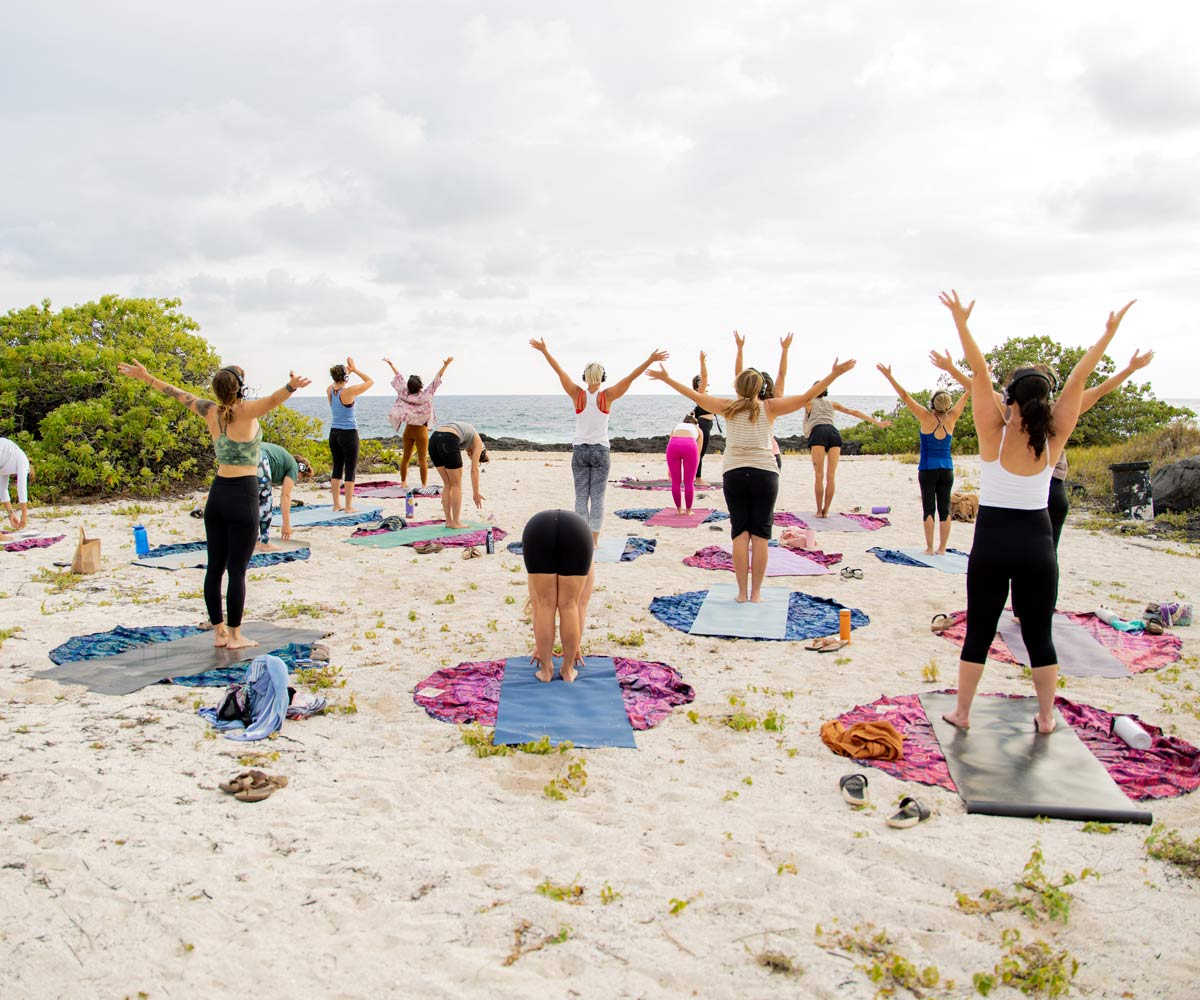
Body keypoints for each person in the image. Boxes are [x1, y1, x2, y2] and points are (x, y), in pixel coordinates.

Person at [937, 289, 1135, 735]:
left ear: (1009, 398)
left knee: (980, 632)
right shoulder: (1055, 434)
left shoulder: (993, 431)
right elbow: (1081, 378)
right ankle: (1046, 718)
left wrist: (962, 322)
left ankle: (963, 713)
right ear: (1045, 399)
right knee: (1039, 635)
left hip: (991, 542)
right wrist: (1108, 334)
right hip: (1037, 544)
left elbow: (979, 372)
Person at [116, 360, 311, 650]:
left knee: (215, 568)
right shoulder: (246, 411)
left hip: (217, 495)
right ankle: (235, 636)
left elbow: (176, 393)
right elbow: (274, 399)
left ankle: (219, 633)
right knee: (237, 571)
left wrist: (147, 377)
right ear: (240, 388)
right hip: (243, 495)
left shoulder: (209, 410)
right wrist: (292, 386)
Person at [648, 357, 856, 602]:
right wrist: (834, 374)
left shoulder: (727, 406)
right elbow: (805, 397)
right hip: (765, 475)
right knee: (760, 536)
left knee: (740, 534)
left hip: (735, 474)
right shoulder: (770, 407)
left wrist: (666, 378)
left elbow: (695, 396)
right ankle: (756, 594)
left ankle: (741, 593)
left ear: (738, 388)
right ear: (760, 389)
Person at [529, 340, 669, 543]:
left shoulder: (577, 395)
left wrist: (545, 351)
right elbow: (630, 378)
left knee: (580, 497)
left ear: (584, 376)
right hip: (600, 452)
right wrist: (650, 360)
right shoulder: (607, 396)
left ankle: (581, 539)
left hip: (579, 451)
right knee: (597, 498)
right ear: (602, 377)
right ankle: (593, 541)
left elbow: (560, 371)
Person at [876, 353, 972, 554]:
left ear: (933, 403)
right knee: (944, 508)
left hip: (928, 469)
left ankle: (929, 548)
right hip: (947, 469)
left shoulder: (925, 417)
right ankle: (942, 548)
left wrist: (889, 376)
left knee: (929, 508)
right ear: (947, 404)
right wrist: (981, 374)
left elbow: (905, 396)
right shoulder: (952, 417)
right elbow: (968, 391)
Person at [522, 509, 594, 682]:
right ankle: (568, 670)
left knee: (544, 603)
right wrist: (574, 646)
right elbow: (581, 604)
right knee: (570, 604)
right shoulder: (579, 532)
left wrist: (541, 646)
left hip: (537, 527)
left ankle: (546, 670)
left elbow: (536, 603)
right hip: (578, 530)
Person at [802, 382, 890, 518]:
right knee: (831, 476)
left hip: (819, 432)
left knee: (819, 475)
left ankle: (819, 511)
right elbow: (853, 412)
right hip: (833, 433)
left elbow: (789, 403)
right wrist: (877, 423)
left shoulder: (808, 402)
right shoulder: (832, 404)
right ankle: (826, 511)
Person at [383, 355, 452, 489]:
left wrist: (391, 364)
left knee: (405, 458)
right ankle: (424, 485)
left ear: (409, 386)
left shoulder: (404, 394)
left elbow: (399, 377)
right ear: (420, 385)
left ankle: (403, 482)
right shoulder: (426, 395)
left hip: (408, 430)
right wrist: (446, 364)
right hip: (421, 431)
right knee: (422, 460)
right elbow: (437, 379)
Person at [734, 330, 793, 470]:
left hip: (748, 454)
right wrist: (785, 350)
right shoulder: (773, 404)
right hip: (771, 452)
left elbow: (738, 375)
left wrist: (740, 349)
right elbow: (782, 375)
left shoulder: (745, 400)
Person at [327, 358, 374, 513]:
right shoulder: (349, 392)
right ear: (345, 377)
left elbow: (335, 400)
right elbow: (370, 381)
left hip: (334, 432)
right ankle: (348, 506)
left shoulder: (329, 390)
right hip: (348, 433)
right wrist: (354, 369)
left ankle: (336, 505)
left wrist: (347, 373)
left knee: (337, 468)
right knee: (350, 469)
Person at [429, 421, 488, 528]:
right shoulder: (479, 443)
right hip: (448, 438)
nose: (469, 454)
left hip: (433, 438)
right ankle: (456, 522)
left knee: (447, 483)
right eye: (471, 454)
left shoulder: (466, 435)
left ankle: (449, 522)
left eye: (470, 455)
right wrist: (476, 493)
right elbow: (474, 470)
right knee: (456, 484)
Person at [255, 443, 313, 552]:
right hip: (259, 457)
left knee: (251, 501)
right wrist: (286, 525)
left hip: (246, 453)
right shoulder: (293, 467)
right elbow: (285, 496)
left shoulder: (284, 460)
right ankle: (264, 543)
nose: (298, 479)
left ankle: (253, 540)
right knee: (265, 500)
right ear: (301, 470)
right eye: (301, 477)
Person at [665, 414, 703, 516]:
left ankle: (678, 510)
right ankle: (689, 510)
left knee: (675, 482)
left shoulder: (676, 426)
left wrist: (669, 469)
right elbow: (698, 453)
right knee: (689, 482)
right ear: (695, 423)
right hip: (690, 446)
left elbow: (670, 442)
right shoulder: (698, 430)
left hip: (673, 446)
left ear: (684, 421)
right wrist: (695, 468)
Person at [0, 437, 32, 534]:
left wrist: (11, 514)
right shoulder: (23, 461)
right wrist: (24, 515)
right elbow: (21, 488)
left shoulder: (6, 464)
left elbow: (2, 489)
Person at [692, 352, 715, 483]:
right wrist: (702, 361)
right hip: (704, 424)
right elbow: (705, 377)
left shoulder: (704, 394)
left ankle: (695, 476)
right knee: (699, 452)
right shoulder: (700, 393)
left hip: (707, 423)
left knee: (700, 453)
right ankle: (698, 478)